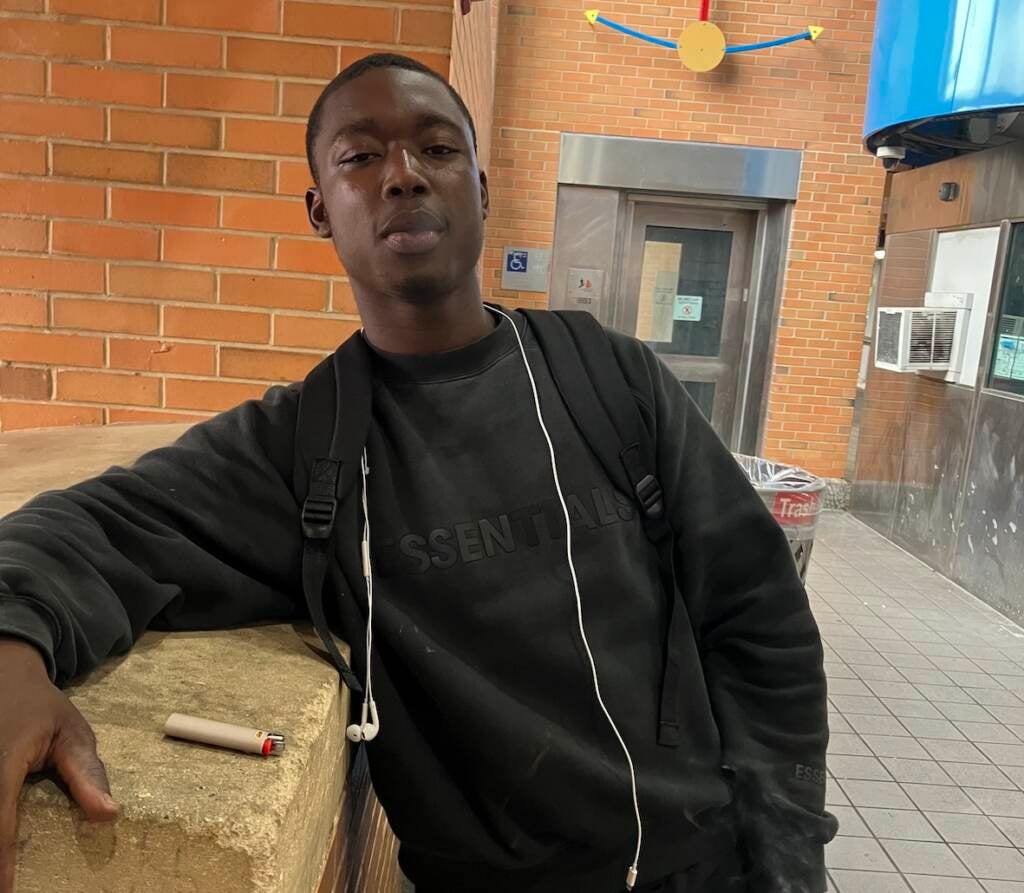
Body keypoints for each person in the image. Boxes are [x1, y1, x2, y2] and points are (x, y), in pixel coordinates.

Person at [0, 53, 836, 893]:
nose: (402, 175)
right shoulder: (304, 446)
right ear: (321, 209)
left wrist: (790, 856)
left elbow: (760, 618)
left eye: (436, 149)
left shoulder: (609, 379)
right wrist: (9, 657)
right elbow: (84, 531)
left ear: (480, 188)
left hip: (711, 869)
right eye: (361, 157)